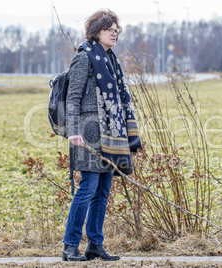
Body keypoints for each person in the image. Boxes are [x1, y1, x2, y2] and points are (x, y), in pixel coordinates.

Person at [62, 9, 142, 262]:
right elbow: (72, 97)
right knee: (87, 189)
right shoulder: (84, 58)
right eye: (110, 29)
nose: (115, 33)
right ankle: (70, 246)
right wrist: (73, 130)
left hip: (111, 136)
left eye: (116, 29)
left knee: (103, 191)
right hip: (87, 134)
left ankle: (95, 245)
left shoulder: (111, 60)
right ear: (97, 31)